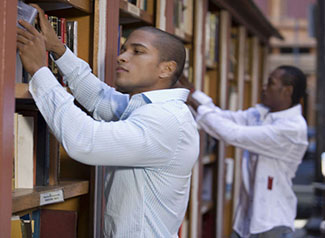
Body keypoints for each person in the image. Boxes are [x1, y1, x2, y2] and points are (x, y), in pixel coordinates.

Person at [16, 5, 199, 237]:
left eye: (137, 51)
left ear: (167, 69)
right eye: (124, 49)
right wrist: (58, 50)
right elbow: (100, 98)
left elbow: (85, 141)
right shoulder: (148, 108)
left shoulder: (166, 120)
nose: (121, 56)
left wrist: (40, 71)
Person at [183, 65, 308, 238]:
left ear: (287, 91)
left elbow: (233, 134)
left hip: (271, 224)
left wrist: (191, 100)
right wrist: (191, 91)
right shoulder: (261, 115)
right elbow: (222, 117)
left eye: (270, 83)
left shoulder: (292, 129)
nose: (264, 87)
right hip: (246, 222)